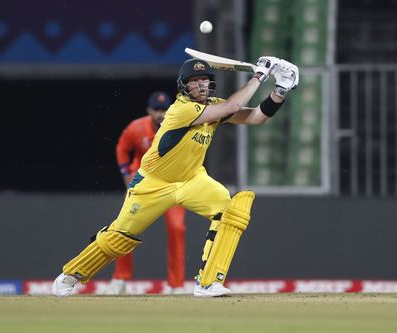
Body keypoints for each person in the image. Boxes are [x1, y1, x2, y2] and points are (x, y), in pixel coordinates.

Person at [52, 55, 299, 297]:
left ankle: (208, 283)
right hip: (153, 183)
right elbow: (233, 106)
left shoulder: (212, 106)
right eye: (195, 80)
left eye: (205, 79)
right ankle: (71, 275)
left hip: (192, 180)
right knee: (119, 237)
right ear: (183, 85)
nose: (201, 84)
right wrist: (259, 76)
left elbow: (256, 117)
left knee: (232, 212)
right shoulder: (181, 110)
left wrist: (280, 89)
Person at [105, 91, 186, 295]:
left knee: (177, 229)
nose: (161, 114)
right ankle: (120, 278)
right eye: (156, 110)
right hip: (142, 182)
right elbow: (122, 148)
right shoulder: (137, 128)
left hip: (171, 182)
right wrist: (126, 175)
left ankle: (175, 285)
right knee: (125, 227)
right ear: (149, 111)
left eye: (164, 109)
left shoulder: (179, 126)